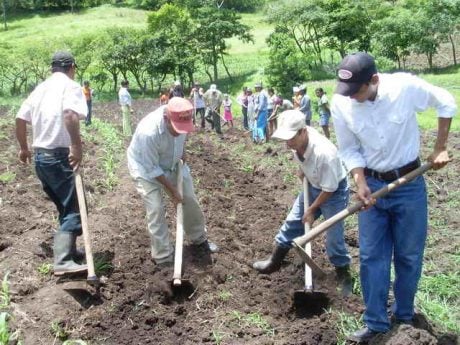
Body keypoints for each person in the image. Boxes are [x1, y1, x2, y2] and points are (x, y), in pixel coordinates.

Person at [331, 52, 457, 343]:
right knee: (371, 257)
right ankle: (375, 323)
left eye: (357, 91)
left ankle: (403, 318)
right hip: (372, 187)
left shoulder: (404, 87)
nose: (351, 97)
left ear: (374, 80)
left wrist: (439, 147)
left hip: (409, 184)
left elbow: (446, 102)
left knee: (408, 256)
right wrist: (359, 181)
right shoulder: (342, 103)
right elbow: (348, 148)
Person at [252, 110, 352, 296]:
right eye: (285, 138)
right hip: (313, 185)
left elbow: (329, 189)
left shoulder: (325, 153)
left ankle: (343, 273)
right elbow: (301, 159)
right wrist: (302, 170)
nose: (287, 143)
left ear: (303, 131)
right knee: (292, 222)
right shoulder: (294, 141)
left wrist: (313, 210)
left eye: (291, 138)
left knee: (334, 236)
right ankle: (274, 262)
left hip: (334, 191)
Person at [15, 51, 88, 276]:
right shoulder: (71, 86)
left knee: (65, 207)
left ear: (52, 68)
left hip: (40, 158)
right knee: (75, 206)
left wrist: (24, 148)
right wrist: (76, 146)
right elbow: (69, 114)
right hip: (58, 156)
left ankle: (70, 252)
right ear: (72, 67)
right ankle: (63, 261)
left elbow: (19, 118)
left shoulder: (41, 88)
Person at [127, 97, 219, 265]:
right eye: (177, 128)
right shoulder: (148, 132)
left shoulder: (182, 122)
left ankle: (199, 240)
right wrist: (172, 190)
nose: (180, 132)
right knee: (155, 208)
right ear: (166, 118)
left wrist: (182, 151)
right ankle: (163, 256)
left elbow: (182, 135)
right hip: (146, 169)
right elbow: (152, 168)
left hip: (173, 163)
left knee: (189, 199)